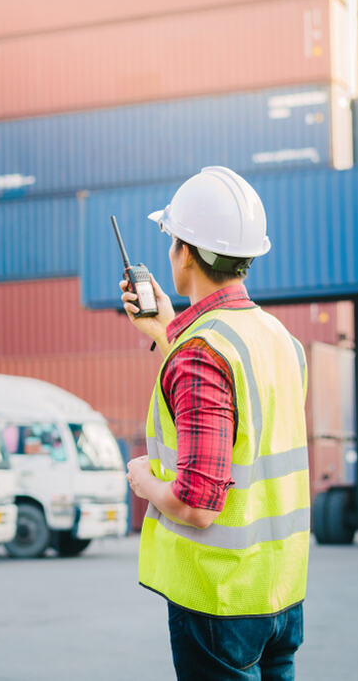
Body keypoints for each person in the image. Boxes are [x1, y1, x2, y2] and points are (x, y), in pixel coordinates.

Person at [120, 167, 310, 680]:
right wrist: (164, 329)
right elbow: (232, 415)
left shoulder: (201, 353)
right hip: (280, 594)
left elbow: (197, 504)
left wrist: (145, 482)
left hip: (220, 602)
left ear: (185, 251)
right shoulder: (279, 340)